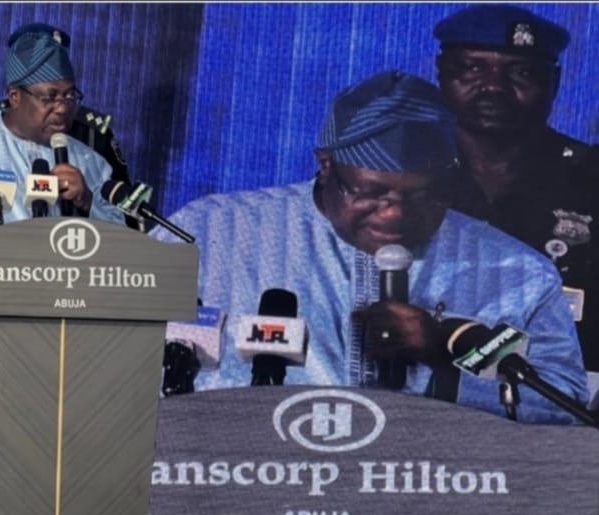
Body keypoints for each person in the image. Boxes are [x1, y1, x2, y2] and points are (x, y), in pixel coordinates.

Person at [149, 70, 589, 424]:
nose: (394, 215)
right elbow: (120, 357)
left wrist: (444, 365)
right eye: (371, 193)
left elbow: (563, 408)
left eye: (425, 196)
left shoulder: (517, 273)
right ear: (325, 165)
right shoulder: (208, 233)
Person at [433, 4, 599, 395]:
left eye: (520, 72)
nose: (493, 86)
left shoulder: (591, 177)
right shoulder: (402, 176)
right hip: (426, 393)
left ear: (555, 82)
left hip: (571, 399)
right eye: (472, 68)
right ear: (440, 73)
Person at [0, 24, 125, 232]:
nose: (62, 108)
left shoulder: (91, 162)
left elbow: (123, 241)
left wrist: (88, 202)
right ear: (15, 97)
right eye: (50, 97)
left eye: (69, 95)